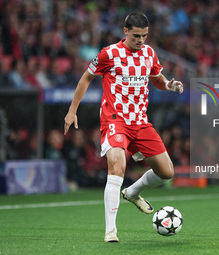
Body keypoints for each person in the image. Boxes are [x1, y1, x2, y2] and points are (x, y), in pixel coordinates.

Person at [64, 12, 183, 242]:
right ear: (125, 31)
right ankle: (111, 231)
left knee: (167, 172)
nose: (141, 40)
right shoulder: (109, 53)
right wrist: (72, 110)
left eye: (145, 36)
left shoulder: (149, 53)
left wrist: (168, 84)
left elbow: (156, 78)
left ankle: (133, 192)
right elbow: (86, 78)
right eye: (137, 36)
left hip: (140, 121)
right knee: (117, 166)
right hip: (115, 119)